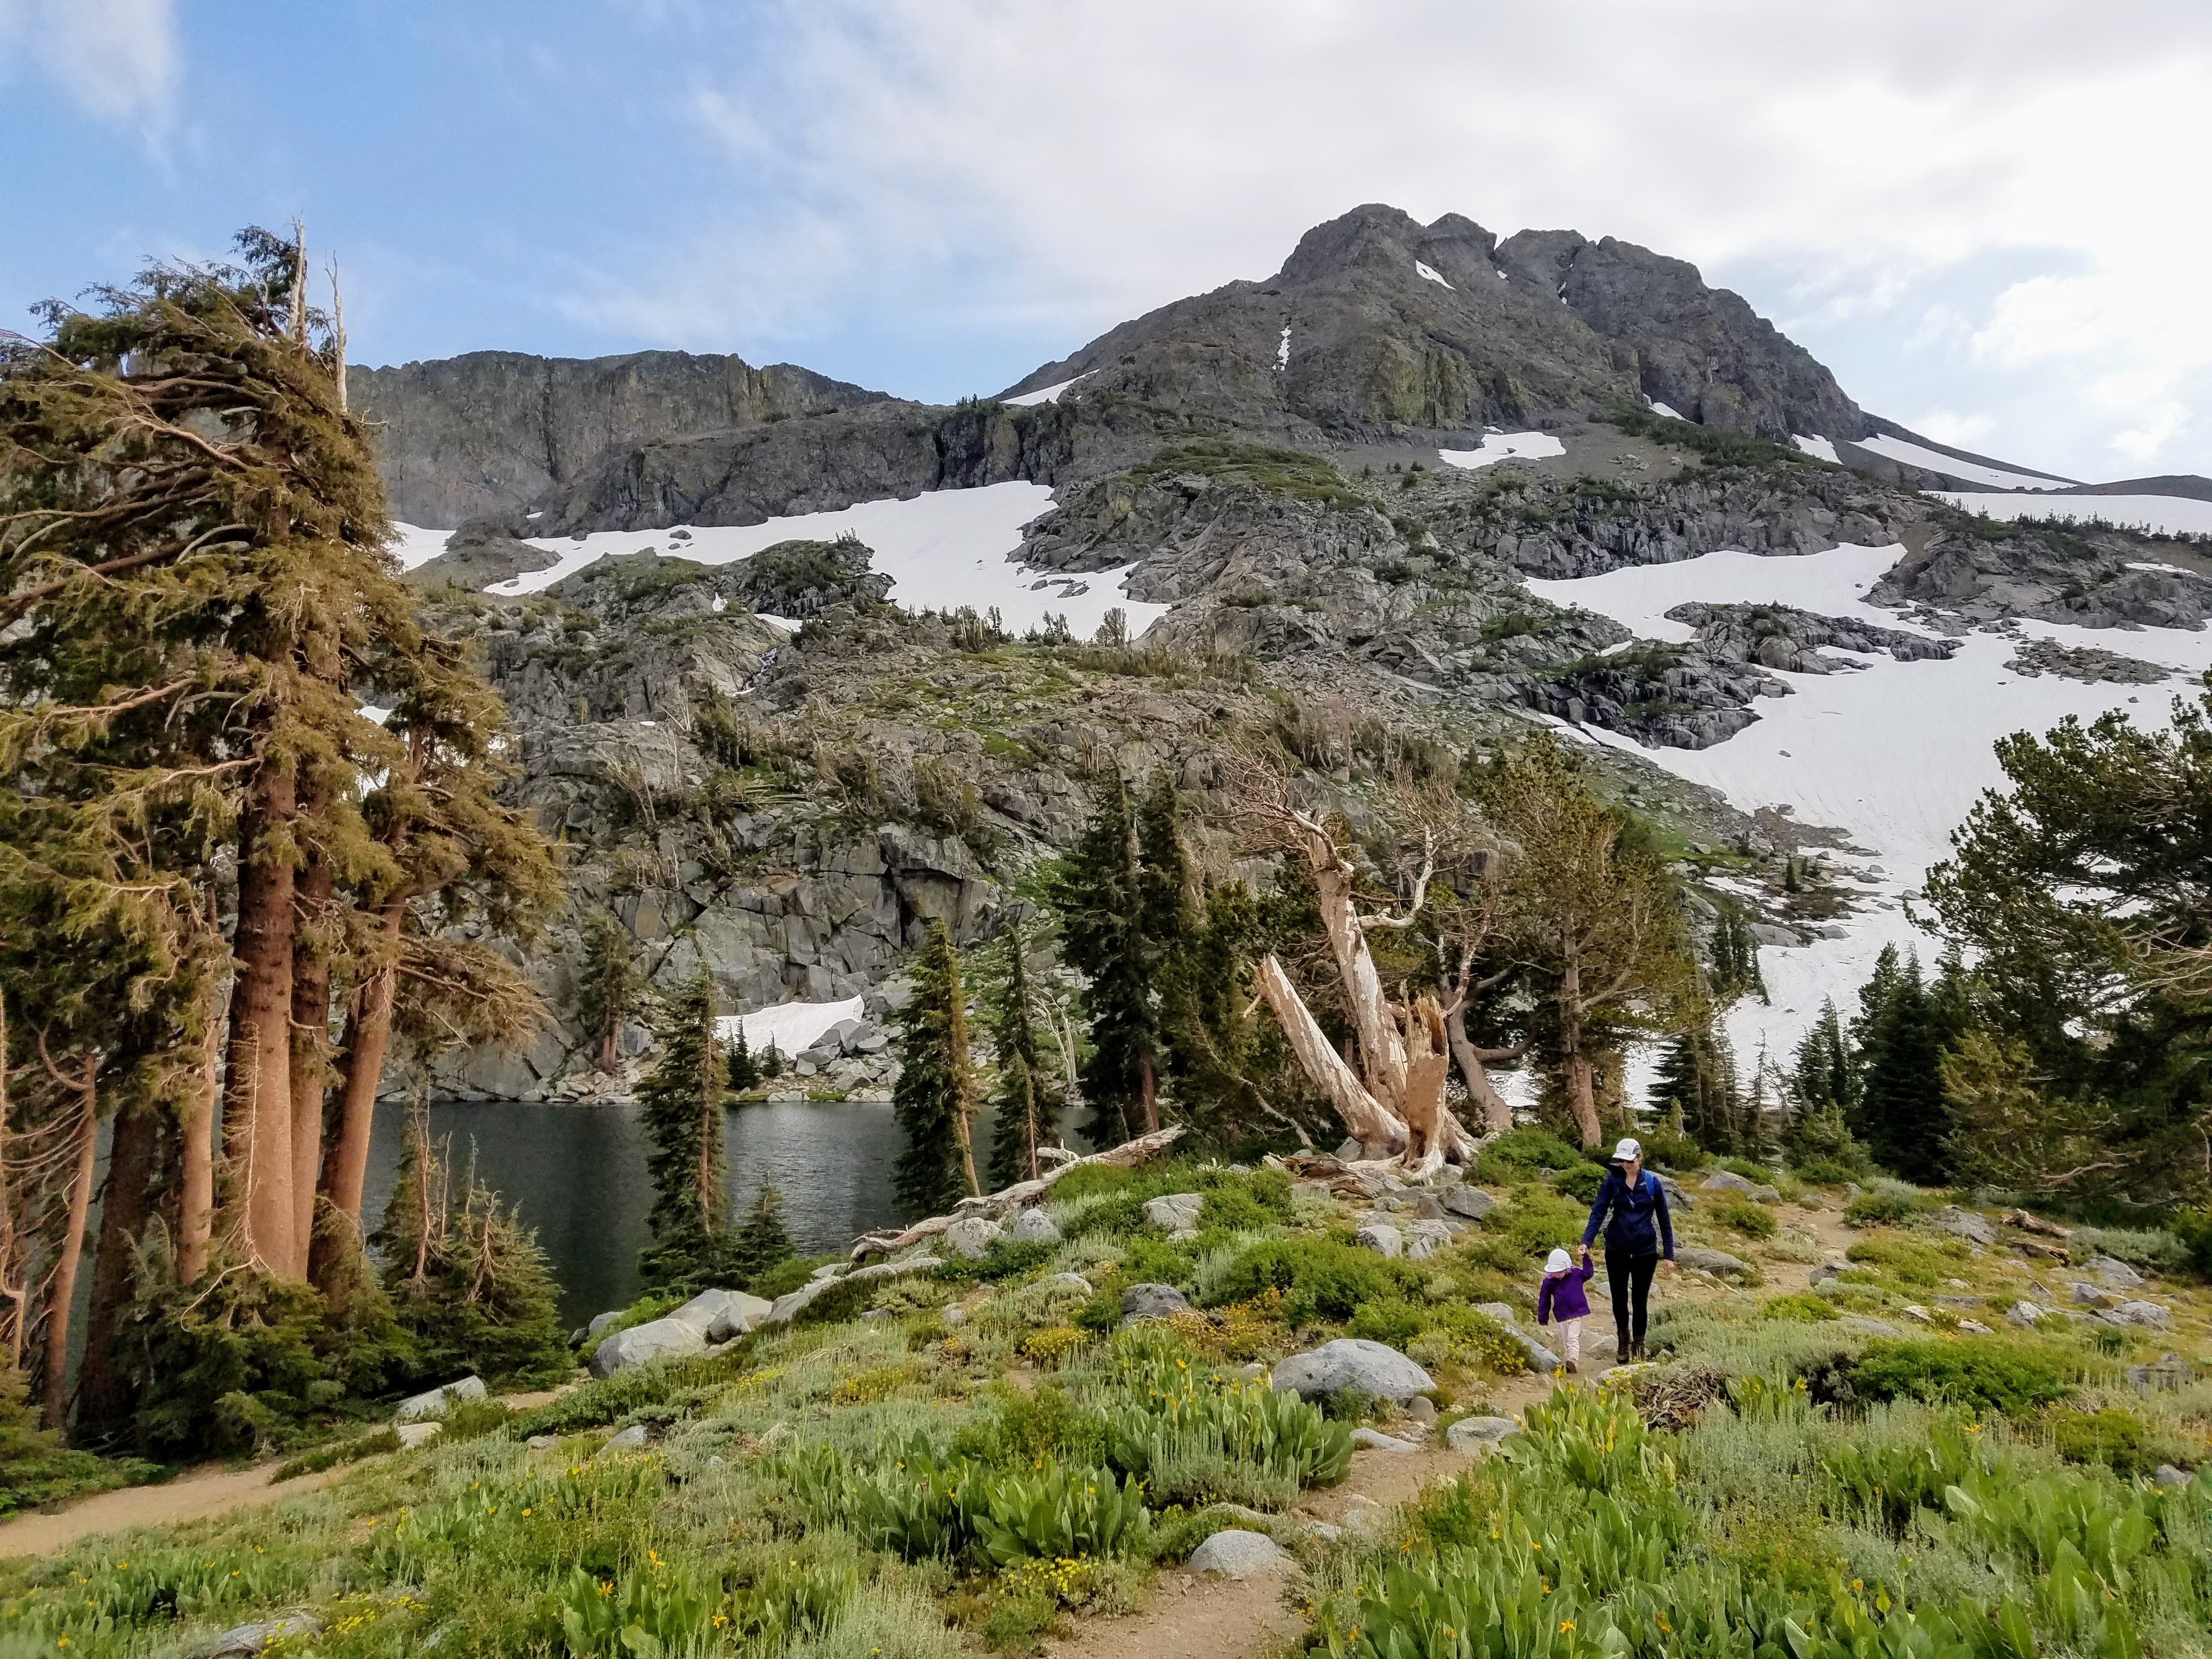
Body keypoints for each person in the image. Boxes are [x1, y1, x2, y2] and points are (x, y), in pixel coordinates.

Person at [1579, 1136, 1674, 1361]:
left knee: (1640, 1301)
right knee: (1619, 1299)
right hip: (1617, 1249)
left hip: (1645, 1252)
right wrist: (1587, 1240)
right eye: (1622, 1161)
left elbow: (1664, 1221)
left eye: (1630, 1161)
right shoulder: (1612, 1181)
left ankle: (1639, 1344)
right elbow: (1599, 1211)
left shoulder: (1653, 1183)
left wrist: (1669, 1256)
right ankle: (1623, 1341)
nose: (1626, 1165)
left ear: (1640, 1158)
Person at [1536, 1246, 1595, 1372]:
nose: (1557, 1274)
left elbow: (1588, 1273)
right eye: (1555, 1271)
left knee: (1572, 1338)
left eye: (1560, 1270)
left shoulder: (1576, 1274)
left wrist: (1585, 1257)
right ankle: (1569, 1361)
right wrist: (1543, 1318)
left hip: (1576, 1314)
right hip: (1562, 1315)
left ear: (1567, 1267)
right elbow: (1544, 1300)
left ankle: (1573, 1361)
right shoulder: (1549, 1282)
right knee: (1565, 1340)